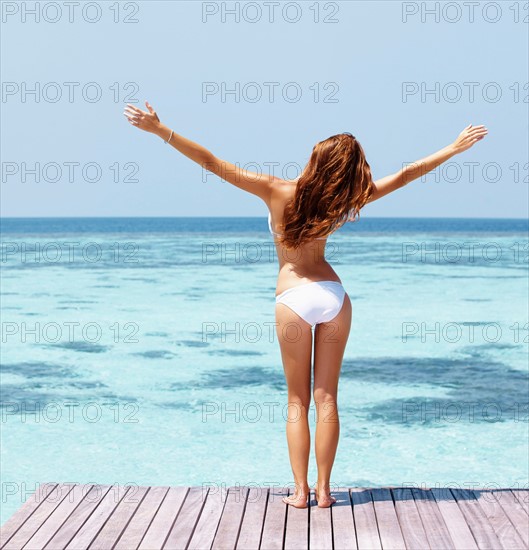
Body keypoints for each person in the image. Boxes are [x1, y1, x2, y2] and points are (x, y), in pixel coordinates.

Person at [124, 102, 488, 508]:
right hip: (334, 296)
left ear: (315, 161)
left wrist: (160, 130)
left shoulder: (274, 189)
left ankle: (299, 493)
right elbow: (405, 175)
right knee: (327, 397)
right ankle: (325, 491)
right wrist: (452, 149)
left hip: (294, 298)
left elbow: (211, 162)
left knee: (296, 400)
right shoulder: (345, 200)